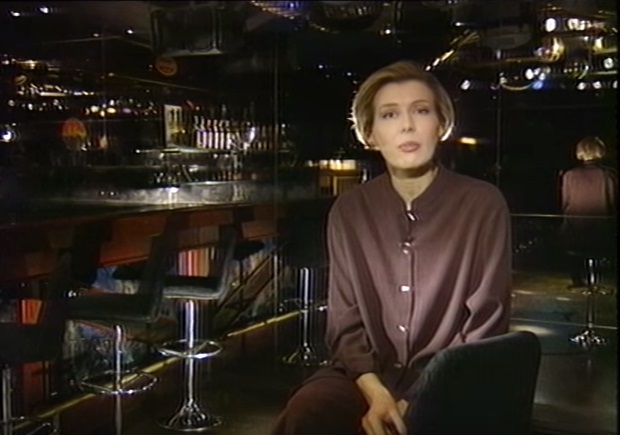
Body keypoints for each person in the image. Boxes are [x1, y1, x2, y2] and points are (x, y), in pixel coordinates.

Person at [271, 60, 512, 435]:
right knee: (310, 407)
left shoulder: (483, 203)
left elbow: (487, 322)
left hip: (452, 378)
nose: (407, 125)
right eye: (389, 114)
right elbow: (345, 321)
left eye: (421, 110)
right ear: (370, 132)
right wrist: (377, 393)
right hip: (368, 374)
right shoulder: (349, 210)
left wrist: (416, 398)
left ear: (441, 124)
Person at [559, 136, 617, 288]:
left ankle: (577, 280)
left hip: (575, 227)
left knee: (572, 248)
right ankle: (596, 280)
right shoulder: (609, 175)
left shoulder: (570, 175)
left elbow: (565, 203)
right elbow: (613, 203)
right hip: (601, 226)